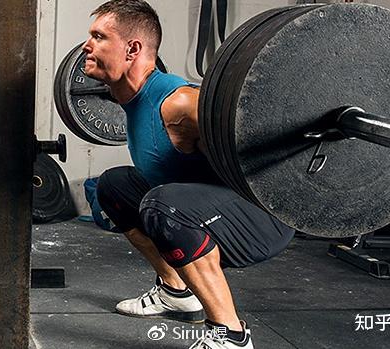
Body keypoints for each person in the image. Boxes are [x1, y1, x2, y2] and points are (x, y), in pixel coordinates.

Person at [84, 1, 295, 348]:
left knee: (163, 204)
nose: (87, 46)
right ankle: (176, 292)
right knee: (113, 186)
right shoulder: (133, 99)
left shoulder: (180, 103)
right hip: (203, 206)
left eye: (98, 36)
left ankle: (231, 334)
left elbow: (262, 136)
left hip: (263, 220)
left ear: (132, 49)